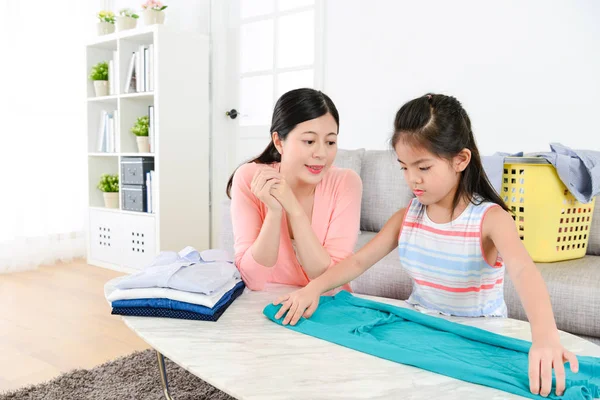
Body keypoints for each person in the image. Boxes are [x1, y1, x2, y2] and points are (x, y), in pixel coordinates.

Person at [273, 93, 579, 398]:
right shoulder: (407, 216)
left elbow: (524, 270)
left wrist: (545, 337)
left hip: (478, 339)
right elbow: (356, 263)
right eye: (404, 168)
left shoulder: (490, 219)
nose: (412, 180)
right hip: (420, 331)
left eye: (423, 167)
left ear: (460, 160)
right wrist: (312, 288)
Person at [227, 88, 362, 292]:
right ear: (279, 141)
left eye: (330, 142)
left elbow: (331, 281)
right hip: (261, 307)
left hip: (325, 308)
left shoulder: (346, 183)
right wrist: (274, 212)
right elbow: (252, 279)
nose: (321, 154)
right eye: (309, 141)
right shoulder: (249, 178)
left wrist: (294, 209)